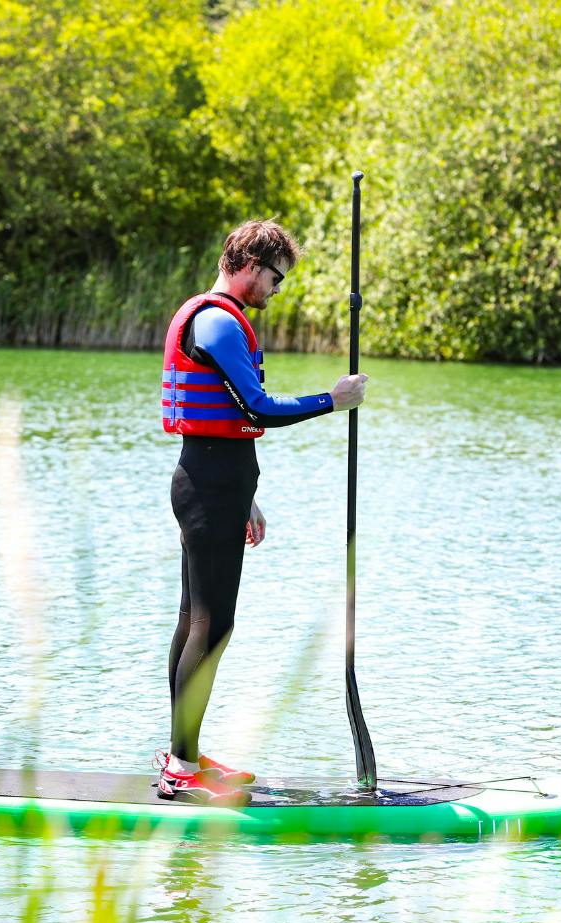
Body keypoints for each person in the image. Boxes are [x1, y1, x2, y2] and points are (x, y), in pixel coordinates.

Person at [155, 220, 368, 805]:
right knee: (212, 625)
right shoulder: (219, 321)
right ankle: (180, 768)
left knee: (196, 620)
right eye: (275, 278)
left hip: (214, 483)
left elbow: (224, 422)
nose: (276, 290)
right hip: (208, 486)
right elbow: (259, 407)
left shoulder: (216, 319)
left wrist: (243, 494)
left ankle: (185, 757)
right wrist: (333, 399)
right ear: (250, 264)